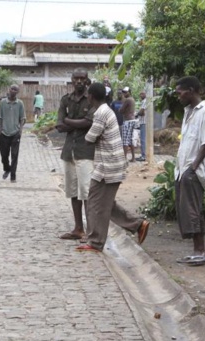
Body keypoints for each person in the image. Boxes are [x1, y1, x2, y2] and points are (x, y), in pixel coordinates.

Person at [75, 82, 150, 252]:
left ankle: (95, 242)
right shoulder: (106, 110)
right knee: (105, 203)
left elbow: (90, 137)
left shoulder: (100, 113)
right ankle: (138, 225)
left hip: (108, 165)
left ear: (91, 96)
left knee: (95, 203)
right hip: (109, 163)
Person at [174, 76, 205, 266]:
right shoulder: (189, 112)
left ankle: (201, 251)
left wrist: (193, 168)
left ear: (191, 90)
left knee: (193, 211)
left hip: (194, 171)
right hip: (184, 170)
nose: (178, 96)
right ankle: (196, 251)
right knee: (187, 211)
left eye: (180, 92)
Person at [55, 68, 95, 241]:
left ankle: (91, 231)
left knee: (86, 192)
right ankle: (78, 228)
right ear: (71, 80)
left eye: (82, 78)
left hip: (86, 151)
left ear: (87, 81)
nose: (79, 81)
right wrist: (79, 124)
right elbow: (59, 125)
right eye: (76, 78)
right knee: (72, 191)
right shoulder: (66, 99)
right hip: (69, 151)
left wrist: (70, 122)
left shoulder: (93, 101)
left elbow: (90, 123)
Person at [0, 84, 25, 183]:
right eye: (12, 89)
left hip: (15, 133)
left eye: (15, 90)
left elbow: (22, 118)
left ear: (18, 92)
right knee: (4, 155)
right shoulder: (3, 103)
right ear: (9, 90)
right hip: (4, 132)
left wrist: (20, 130)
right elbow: (0, 117)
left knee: (14, 155)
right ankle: (7, 168)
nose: (13, 91)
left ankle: (13, 176)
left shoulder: (20, 103)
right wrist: (0, 130)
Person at [119, 87, 136, 162]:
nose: (124, 93)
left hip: (128, 121)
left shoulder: (127, 100)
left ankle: (124, 158)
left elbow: (121, 110)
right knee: (130, 140)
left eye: (125, 92)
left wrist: (122, 103)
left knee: (125, 140)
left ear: (129, 92)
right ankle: (133, 158)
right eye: (123, 92)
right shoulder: (132, 99)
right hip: (132, 120)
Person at [136, 91, 147, 161]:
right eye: (140, 93)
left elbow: (142, 112)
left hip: (144, 122)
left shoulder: (145, 101)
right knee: (143, 139)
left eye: (142, 93)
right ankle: (143, 155)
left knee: (143, 140)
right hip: (144, 122)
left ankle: (143, 156)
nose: (140, 95)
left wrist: (136, 113)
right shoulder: (145, 101)